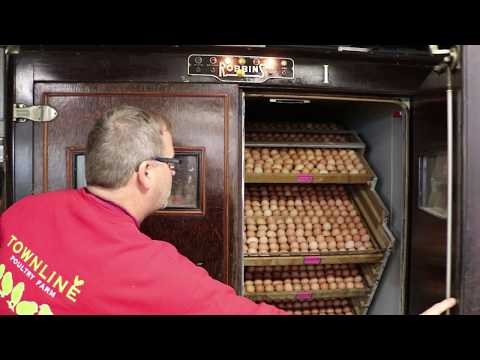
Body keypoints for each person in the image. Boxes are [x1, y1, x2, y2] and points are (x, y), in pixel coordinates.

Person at [0, 105, 456, 315]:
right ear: (146, 172)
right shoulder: (150, 269)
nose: (175, 172)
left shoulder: (24, 213)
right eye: (171, 162)